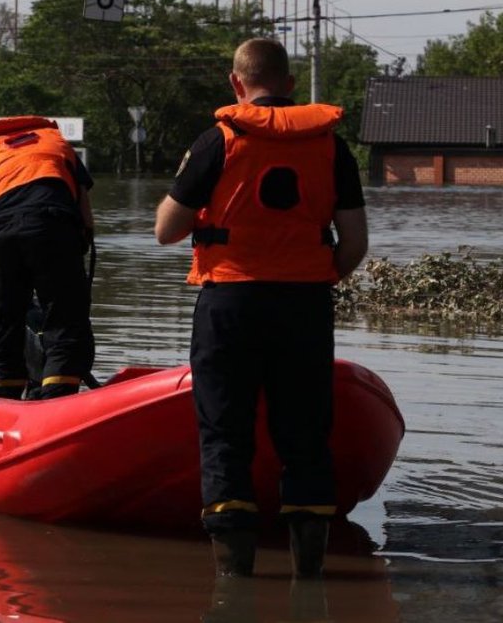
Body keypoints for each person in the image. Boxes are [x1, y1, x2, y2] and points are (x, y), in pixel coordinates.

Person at [153, 38, 369, 578]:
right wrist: (315, 276)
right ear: (290, 86)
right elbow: (356, 242)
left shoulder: (218, 141)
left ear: (236, 84)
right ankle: (310, 575)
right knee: (306, 433)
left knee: (225, 431)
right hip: (305, 305)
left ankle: (234, 582)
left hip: (231, 302)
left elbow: (166, 231)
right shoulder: (331, 146)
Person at [0, 115, 96, 400]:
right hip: (54, 227)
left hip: (1, 239)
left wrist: (7, 287)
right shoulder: (56, 148)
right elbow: (87, 222)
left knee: (4, 338)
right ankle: (58, 402)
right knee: (65, 329)